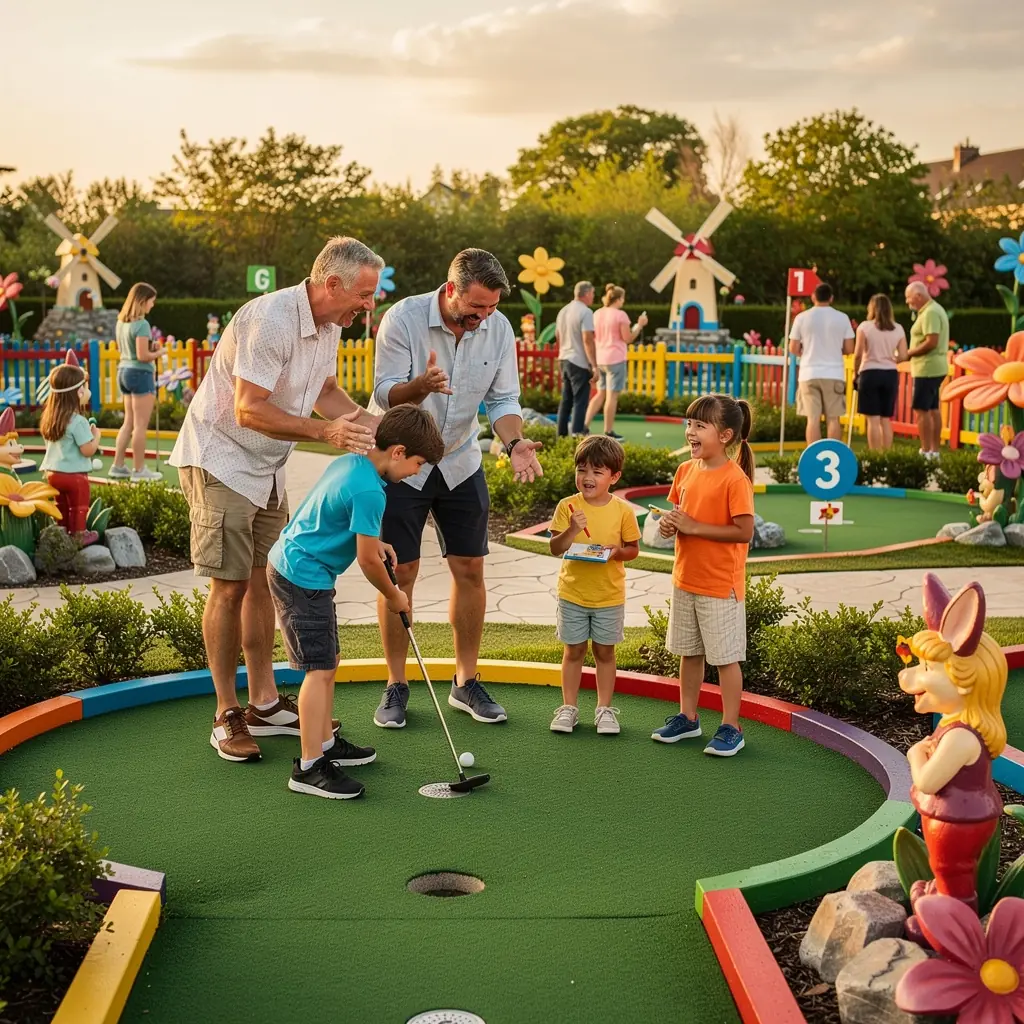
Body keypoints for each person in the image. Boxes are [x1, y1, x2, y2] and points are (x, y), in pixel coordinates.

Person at [170, 236, 383, 762]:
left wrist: (376, 426)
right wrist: (326, 433)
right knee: (229, 586)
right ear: (333, 283)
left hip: (267, 468)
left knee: (263, 581)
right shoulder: (271, 318)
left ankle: (264, 703)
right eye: (366, 294)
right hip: (220, 457)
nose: (370, 304)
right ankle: (226, 714)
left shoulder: (329, 325)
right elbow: (248, 409)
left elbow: (325, 391)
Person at [370, 248, 543, 730]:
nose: (483, 318)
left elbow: (503, 398)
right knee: (399, 572)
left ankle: (465, 682)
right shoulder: (403, 318)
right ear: (450, 291)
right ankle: (396, 684)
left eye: (490, 309)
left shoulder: (500, 327)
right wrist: (420, 385)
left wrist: (514, 444)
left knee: (470, 567)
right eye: (476, 308)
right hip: (404, 461)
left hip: (462, 459)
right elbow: (385, 393)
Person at [268, 405, 445, 799]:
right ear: (397, 452)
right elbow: (367, 562)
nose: (418, 472)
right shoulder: (370, 491)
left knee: (328, 665)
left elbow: (341, 518)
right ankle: (310, 766)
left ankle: (326, 745)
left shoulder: (354, 464)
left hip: (298, 568)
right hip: (302, 576)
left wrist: (376, 540)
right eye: (417, 463)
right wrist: (396, 595)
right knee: (319, 670)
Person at [652, 394, 755, 757]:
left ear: (725, 435)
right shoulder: (685, 471)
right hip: (686, 579)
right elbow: (680, 515)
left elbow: (744, 531)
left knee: (726, 658)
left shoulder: (734, 480)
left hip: (719, 585)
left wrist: (694, 526)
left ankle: (731, 726)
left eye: (699, 425)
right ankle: (688, 717)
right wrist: (670, 525)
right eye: (689, 424)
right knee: (689, 652)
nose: (690, 431)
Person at [547, 435, 640, 735]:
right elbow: (555, 547)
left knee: (605, 653)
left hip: (609, 596)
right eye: (582, 469)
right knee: (573, 651)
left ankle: (604, 710)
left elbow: (633, 550)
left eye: (597, 472)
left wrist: (616, 551)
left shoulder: (623, 510)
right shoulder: (567, 506)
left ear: (614, 477)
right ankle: (569, 708)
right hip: (572, 593)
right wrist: (572, 529)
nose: (587, 477)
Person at [39, 353, 102, 545]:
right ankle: (79, 535)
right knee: (79, 506)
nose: (87, 390)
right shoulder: (78, 421)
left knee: (61, 505)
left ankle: (62, 532)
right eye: (85, 387)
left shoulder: (50, 419)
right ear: (78, 393)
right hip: (74, 475)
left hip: (52, 474)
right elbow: (87, 450)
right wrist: (96, 437)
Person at [788, 283, 855, 444]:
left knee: (812, 419)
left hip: (809, 373)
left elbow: (793, 347)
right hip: (834, 373)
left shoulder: (802, 318)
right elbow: (849, 348)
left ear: (813, 297)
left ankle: (813, 458)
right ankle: (834, 455)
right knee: (833, 418)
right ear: (831, 298)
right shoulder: (842, 318)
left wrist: (805, 352)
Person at [110, 282, 164, 482]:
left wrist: (151, 349)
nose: (152, 305)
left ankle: (118, 465)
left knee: (128, 422)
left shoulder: (121, 323)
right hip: (140, 374)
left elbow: (131, 351)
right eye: (151, 301)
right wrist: (159, 352)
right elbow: (142, 356)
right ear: (142, 301)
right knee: (140, 425)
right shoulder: (142, 325)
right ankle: (139, 470)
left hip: (123, 371)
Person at [584, 284, 648, 439]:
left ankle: (583, 426)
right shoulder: (621, 315)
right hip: (616, 358)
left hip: (600, 358)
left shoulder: (597, 313)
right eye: (623, 299)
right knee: (612, 396)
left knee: (600, 394)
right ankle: (608, 431)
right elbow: (628, 338)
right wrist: (639, 325)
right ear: (618, 299)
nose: (623, 302)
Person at [853, 294, 908, 451]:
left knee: (873, 420)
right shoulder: (898, 328)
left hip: (869, 372)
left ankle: (875, 455)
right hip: (889, 374)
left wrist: (855, 374)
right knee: (885, 419)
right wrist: (892, 359)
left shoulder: (865, 327)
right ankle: (887, 455)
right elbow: (904, 355)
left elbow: (858, 354)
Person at [905, 280, 950, 460]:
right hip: (932, 367)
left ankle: (925, 451)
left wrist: (908, 353)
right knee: (932, 409)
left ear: (919, 295)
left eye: (909, 299)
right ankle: (934, 451)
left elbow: (932, 341)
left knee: (921, 409)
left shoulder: (930, 312)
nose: (908, 303)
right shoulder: (931, 310)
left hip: (927, 367)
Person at [555, 281, 597, 437]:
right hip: (578, 360)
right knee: (580, 401)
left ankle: (561, 435)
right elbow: (588, 339)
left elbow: (558, 336)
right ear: (586, 294)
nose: (593, 297)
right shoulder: (586, 312)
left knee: (566, 400)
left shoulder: (563, 311)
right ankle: (577, 435)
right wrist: (594, 365)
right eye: (592, 293)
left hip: (564, 358)